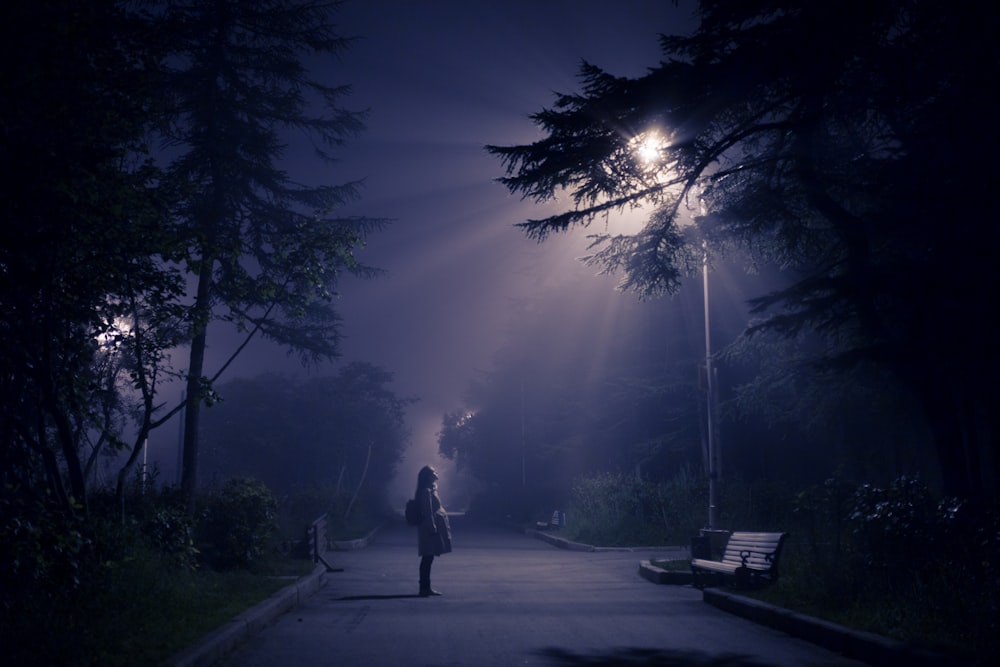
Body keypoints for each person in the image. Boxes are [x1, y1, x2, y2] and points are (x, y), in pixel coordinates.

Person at [415, 465, 451, 596]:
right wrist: (433, 527)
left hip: (431, 526)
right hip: (429, 528)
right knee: (427, 557)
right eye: (433, 472)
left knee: (429, 558)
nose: (436, 473)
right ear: (428, 476)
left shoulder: (431, 489)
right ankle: (424, 588)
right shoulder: (426, 492)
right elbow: (428, 511)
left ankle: (426, 587)